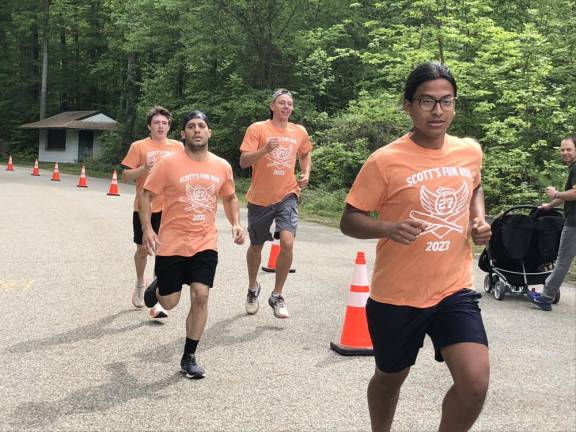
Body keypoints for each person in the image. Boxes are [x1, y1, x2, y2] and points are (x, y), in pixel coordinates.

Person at [340, 62, 492, 432]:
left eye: (446, 101)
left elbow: (474, 186)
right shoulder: (385, 160)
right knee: (390, 379)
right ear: (408, 106)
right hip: (396, 297)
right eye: (426, 101)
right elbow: (349, 219)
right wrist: (388, 227)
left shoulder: (469, 150)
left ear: (455, 105)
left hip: (453, 290)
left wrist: (478, 219)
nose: (437, 111)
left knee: (474, 383)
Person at [140, 111, 245, 379]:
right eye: (191, 126)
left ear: (209, 133)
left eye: (202, 126)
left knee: (201, 294)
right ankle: (160, 286)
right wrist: (148, 228)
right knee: (171, 302)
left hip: (205, 240)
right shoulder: (168, 164)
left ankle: (189, 356)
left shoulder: (221, 165)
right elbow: (146, 195)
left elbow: (231, 197)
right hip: (172, 242)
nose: (197, 130)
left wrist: (235, 223)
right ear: (183, 134)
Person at [239, 89, 312, 318]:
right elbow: (243, 162)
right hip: (260, 198)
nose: (286, 107)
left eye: (289, 103)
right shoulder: (258, 129)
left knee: (287, 243)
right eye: (282, 103)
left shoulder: (299, 131)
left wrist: (306, 172)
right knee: (257, 246)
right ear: (272, 106)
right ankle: (253, 289)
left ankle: (277, 295)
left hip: (287, 194)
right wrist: (264, 150)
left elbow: (305, 153)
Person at [121, 106, 183, 317]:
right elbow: (126, 177)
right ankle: (140, 283)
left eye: (165, 123)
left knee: (164, 254)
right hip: (145, 208)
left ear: (169, 126)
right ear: (149, 126)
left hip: (169, 209)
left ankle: (157, 296)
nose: (161, 126)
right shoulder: (139, 146)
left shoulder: (178, 147)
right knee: (142, 250)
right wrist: (143, 169)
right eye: (156, 122)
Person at [527, 135, 576, 311]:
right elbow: (568, 195)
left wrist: (555, 194)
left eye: (569, 149)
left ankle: (546, 297)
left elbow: (574, 194)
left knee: (562, 261)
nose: (565, 152)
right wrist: (550, 205)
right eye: (562, 149)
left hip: (574, 223)